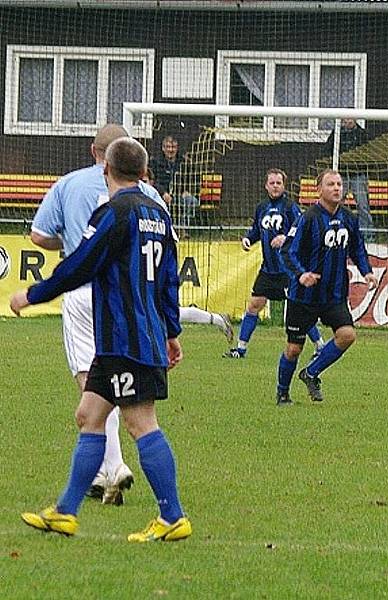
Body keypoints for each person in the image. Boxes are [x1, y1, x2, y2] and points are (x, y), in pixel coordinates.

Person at [12, 137, 192, 542]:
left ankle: (172, 516)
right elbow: (168, 279)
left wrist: (33, 294)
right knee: (89, 416)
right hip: (129, 339)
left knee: (140, 422)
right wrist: (171, 332)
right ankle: (65, 511)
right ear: (145, 174)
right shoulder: (157, 214)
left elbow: (79, 265)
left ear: (105, 170)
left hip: (125, 339)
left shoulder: (113, 213)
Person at [29, 124, 164, 506]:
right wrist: (169, 326)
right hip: (137, 302)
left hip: (91, 296)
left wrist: (37, 290)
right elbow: (163, 259)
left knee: (101, 390)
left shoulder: (70, 185)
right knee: (97, 404)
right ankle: (71, 504)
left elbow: (41, 238)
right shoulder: (152, 198)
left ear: (97, 155)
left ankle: (118, 471)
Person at [277, 169, 377, 404]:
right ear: (319, 189)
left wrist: (367, 271)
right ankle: (282, 392)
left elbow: (357, 249)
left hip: (334, 295)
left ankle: (311, 372)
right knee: (293, 349)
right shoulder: (308, 218)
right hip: (304, 296)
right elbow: (287, 251)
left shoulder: (349, 219)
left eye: (339, 184)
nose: (337, 188)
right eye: (331, 184)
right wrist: (301, 275)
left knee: (347, 335)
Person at [224, 168, 325, 367]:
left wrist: (285, 237)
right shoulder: (261, 207)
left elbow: (301, 233)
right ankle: (241, 348)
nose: (275, 186)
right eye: (272, 183)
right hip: (268, 270)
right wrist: (247, 239)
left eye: (279, 183)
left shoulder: (290, 207)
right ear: (266, 185)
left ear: (284, 185)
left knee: (299, 310)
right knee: (253, 305)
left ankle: (320, 345)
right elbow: (255, 230)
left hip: (288, 270)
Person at [142, 168, 233, 343]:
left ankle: (217, 319)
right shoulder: (139, 199)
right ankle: (217, 319)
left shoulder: (155, 201)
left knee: (166, 309)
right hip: (147, 257)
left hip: (157, 259)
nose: (142, 184)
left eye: (145, 181)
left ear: (152, 183)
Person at [324, 118, 373, 241]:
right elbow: (327, 149)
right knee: (336, 203)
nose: (348, 121)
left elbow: (369, 153)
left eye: (350, 118)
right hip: (342, 174)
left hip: (358, 174)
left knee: (362, 204)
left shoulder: (362, 134)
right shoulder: (337, 133)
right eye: (345, 119)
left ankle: (366, 234)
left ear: (355, 119)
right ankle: (333, 228)